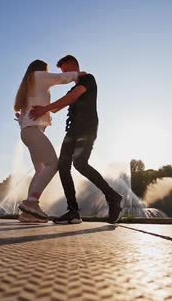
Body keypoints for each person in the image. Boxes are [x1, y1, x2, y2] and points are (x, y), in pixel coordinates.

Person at [30, 55, 122, 224]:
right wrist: (32, 109)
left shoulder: (88, 79)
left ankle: (113, 197)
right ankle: (73, 211)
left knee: (80, 164)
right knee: (63, 166)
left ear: (74, 66)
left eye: (65, 71)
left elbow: (70, 99)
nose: (65, 75)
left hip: (86, 130)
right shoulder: (72, 89)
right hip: (72, 131)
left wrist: (45, 108)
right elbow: (58, 108)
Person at [14, 59, 85, 223]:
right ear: (41, 70)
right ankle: (31, 202)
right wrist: (79, 75)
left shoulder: (29, 84)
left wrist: (20, 119)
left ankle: (28, 214)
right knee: (54, 164)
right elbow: (61, 78)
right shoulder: (38, 76)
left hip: (27, 132)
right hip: (32, 132)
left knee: (40, 171)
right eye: (47, 70)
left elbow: (25, 116)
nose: (48, 73)